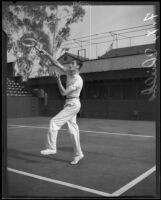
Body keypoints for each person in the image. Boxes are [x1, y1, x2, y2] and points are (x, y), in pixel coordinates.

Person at [40, 49, 84, 165]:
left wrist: (58, 79)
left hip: (73, 104)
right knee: (73, 131)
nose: (70, 64)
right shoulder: (69, 72)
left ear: (78, 67)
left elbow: (63, 93)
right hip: (69, 103)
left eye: (73, 64)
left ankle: (51, 147)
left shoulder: (78, 80)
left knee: (54, 122)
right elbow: (56, 63)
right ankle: (78, 154)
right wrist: (46, 54)